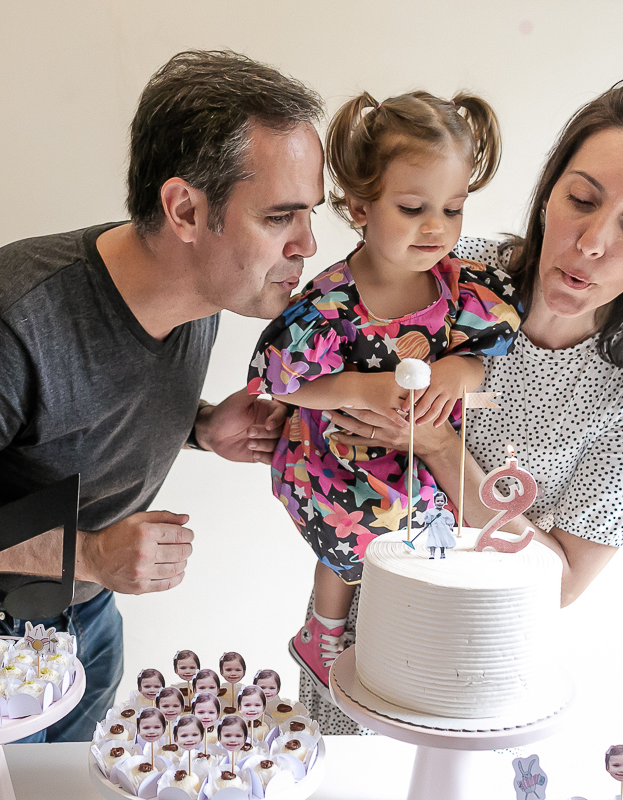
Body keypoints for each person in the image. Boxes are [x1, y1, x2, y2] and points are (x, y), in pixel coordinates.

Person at [0, 49, 325, 742]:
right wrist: (93, 553)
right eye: (281, 217)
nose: (309, 244)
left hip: (88, 610)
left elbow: (75, 409)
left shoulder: (204, 293)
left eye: (308, 214)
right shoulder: (8, 321)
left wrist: (200, 428)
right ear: (187, 210)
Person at [305, 74, 623, 732]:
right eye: (581, 199)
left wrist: (437, 446)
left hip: (486, 656)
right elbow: (331, 348)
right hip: (358, 622)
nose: (591, 242)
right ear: (549, 192)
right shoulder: (453, 273)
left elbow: (561, 582)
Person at [247, 88, 521, 693]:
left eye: (452, 210)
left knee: (434, 544)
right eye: (413, 207)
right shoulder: (332, 301)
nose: (436, 228)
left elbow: (484, 358)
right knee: (349, 537)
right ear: (360, 206)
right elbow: (286, 381)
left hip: (417, 459)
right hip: (340, 456)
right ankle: (321, 629)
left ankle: (416, 641)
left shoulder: (460, 289)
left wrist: (458, 373)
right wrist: (363, 387)